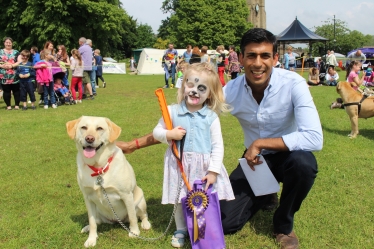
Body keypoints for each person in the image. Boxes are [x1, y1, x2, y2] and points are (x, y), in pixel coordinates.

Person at [116, 28, 323, 249]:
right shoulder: (230, 91)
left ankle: (283, 225)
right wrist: (132, 145)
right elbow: (187, 122)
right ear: (241, 59)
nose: (258, 63)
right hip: (256, 162)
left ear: (275, 58)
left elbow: (313, 138)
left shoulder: (293, 84)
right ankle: (266, 192)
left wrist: (259, 143)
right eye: (251, 55)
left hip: (288, 155)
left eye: (265, 56)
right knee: (224, 222)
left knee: (304, 164)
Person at [152, 62, 234, 248]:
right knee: (181, 199)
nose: (195, 91)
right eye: (190, 85)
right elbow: (156, 131)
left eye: (201, 88)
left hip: (203, 167)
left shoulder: (211, 117)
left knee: (202, 200)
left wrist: (213, 171)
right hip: (178, 165)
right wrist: (168, 134)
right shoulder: (172, 111)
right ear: (183, 85)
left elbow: (217, 146)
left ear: (210, 94)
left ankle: (202, 231)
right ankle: (181, 229)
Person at [0, 37, 20, 110]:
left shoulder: (16, 52)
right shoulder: (0, 51)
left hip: (14, 74)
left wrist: (12, 65)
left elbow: (19, 61)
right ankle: (8, 106)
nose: (8, 44)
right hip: (4, 74)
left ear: (12, 43)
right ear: (4, 43)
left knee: (16, 90)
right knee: (6, 91)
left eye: (10, 42)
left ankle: (17, 105)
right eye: (7, 42)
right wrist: (2, 66)